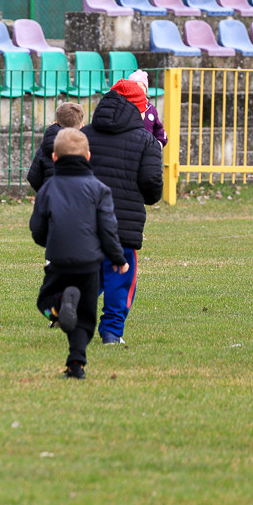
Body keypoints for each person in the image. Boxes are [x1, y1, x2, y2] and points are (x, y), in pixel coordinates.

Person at [30, 128, 127, 379]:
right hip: (90, 263)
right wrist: (117, 258)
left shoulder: (48, 188)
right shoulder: (99, 189)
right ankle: (76, 365)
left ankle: (59, 307)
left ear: (54, 158)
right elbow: (108, 229)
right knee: (84, 317)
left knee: (44, 301)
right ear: (88, 156)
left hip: (59, 260)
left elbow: (37, 228)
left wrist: (49, 243)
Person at [81, 78, 163, 345]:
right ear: (137, 108)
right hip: (123, 224)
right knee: (121, 277)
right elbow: (151, 182)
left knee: (88, 273)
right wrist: (150, 197)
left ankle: (71, 308)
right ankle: (112, 332)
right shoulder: (146, 140)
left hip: (86, 221)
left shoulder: (85, 135)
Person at [26, 101, 85, 192]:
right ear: (81, 127)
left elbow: (33, 177)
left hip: (50, 195)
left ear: (55, 123)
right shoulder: (84, 146)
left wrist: (45, 191)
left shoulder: (45, 145)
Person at [124, 70, 166, 147]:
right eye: (134, 88)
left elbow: (159, 129)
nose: (137, 92)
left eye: (141, 88)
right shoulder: (124, 107)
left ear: (146, 91)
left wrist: (159, 144)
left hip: (147, 150)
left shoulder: (151, 109)